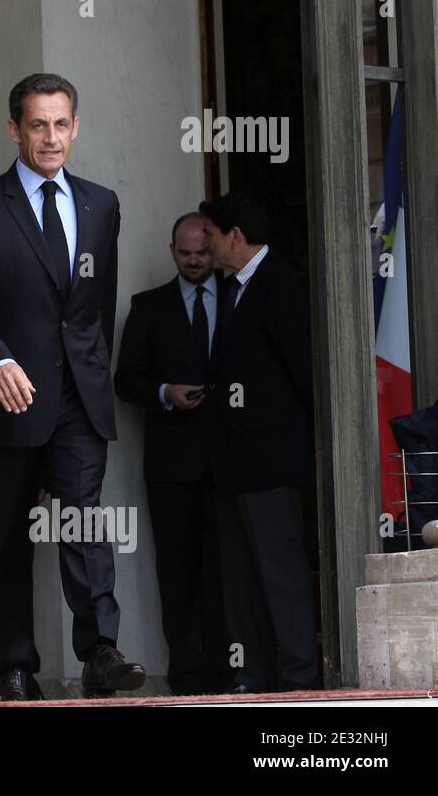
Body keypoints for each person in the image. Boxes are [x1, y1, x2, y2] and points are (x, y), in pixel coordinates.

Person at [0, 73, 144, 700]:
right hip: (9, 392)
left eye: (61, 124)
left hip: (79, 397)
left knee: (86, 521)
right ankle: (12, 666)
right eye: (37, 125)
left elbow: (95, 305)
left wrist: (93, 370)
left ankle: (101, 651)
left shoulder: (100, 202)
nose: (50, 138)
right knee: (6, 534)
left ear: (75, 127)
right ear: (14, 129)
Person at [198, 193, 318, 692]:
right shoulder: (233, 289)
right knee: (242, 582)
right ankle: (256, 677)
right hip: (233, 465)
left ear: (236, 237)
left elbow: (305, 373)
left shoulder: (280, 285)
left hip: (271, 463)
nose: (204, 245)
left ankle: (299, 680)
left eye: (209, 235)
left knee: (281, 577)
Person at [113, 213, 229, 695]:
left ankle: (230, 673)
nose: (196, 262)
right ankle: (184, 677)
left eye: (203, 253)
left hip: (230, 460)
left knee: (226, 572)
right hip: (171, 466)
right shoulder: (149, 307)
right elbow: (125, 381)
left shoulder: (239, 294)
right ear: (172, 251)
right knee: (177, 573)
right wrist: (165, 392)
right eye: (186, 254)